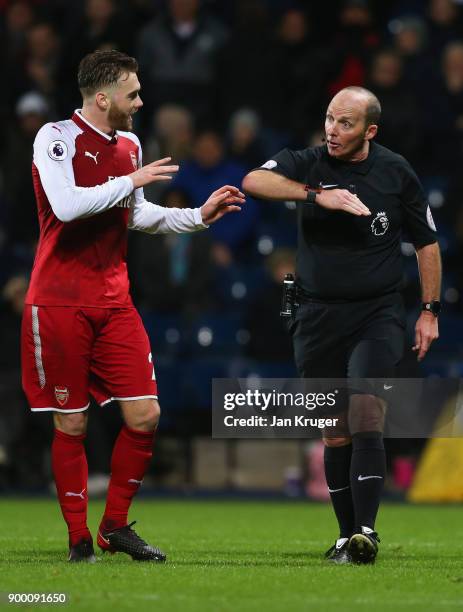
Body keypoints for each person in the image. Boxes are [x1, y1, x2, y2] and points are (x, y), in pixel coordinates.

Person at [21, 49, 245, 563]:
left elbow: (138, 215)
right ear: (103, 98)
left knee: (145, 415)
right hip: (58, 302)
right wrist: (129, 183)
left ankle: (115, 526)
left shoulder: (131, 145)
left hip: (114, 302)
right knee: (71, 424)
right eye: (133, 93)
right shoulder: (55, 137)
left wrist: (199, 216)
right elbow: (67, 206)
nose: (141, 102)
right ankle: (79, 537)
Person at [242, 86, 441, 564]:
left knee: (366, 410)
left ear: (370, 130)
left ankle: (368, 531)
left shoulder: (396, 172)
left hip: (377, 312)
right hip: (316, 315)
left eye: (346, 122)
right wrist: (317, 196)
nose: (333, 129)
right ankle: (345, 535)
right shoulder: (307, 162)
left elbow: (427, 243)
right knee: (333, 429)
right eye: (330, 118)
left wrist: (430, 310)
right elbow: (253, 181)